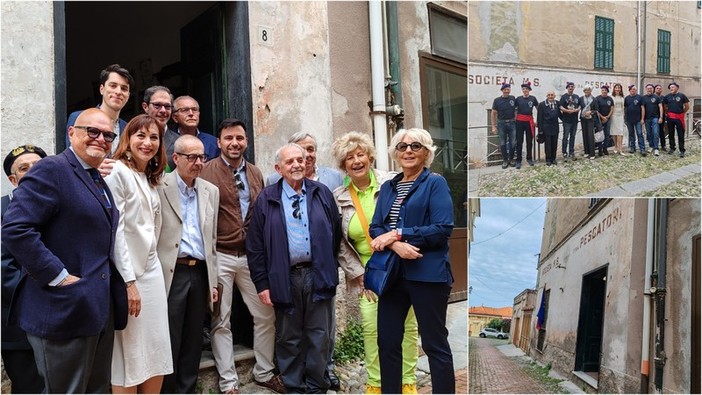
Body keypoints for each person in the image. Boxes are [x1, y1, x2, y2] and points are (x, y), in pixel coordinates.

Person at [1, 108, 128, 393]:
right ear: (72, 133)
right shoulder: (52, 169)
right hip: (63, 309)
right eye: (91, 131)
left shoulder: (96, 178)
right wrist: (57, 275)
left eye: (108, 135)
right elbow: (16, 229)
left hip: (96, 309)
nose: (100, 139)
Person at [247, 143, 342, 393]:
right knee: (289, 336)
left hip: (317, 273)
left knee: (319, 334)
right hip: (284, 276)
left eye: (300, 160)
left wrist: (327, 266)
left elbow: (335, 233)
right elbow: (255, 246)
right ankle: (294, 385)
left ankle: (316, 384)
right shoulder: (266, 199)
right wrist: (262, 284)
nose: (297, 165)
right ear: (279, 168)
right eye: (290, 162)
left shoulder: (321, 193)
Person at [200, 119, 284, 394]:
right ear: (220, 142)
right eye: (228, 138)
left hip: (251, 258)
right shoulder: (205, 171)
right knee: (220, 320)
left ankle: (263, 371)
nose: (234, 143)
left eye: (239, 138)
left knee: (265, 315)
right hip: (220, 255)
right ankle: (228, 383)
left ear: (246, 141)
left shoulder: (256, 173)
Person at [331, 132, 419, 394]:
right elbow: (340, 245)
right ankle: (375, 384)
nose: (356, 161)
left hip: (400, 266)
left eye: (360, 155)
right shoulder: (338, 197)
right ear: (343, 165)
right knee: (372, 329)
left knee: (407, 326)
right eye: (349, 158)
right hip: (368, 275)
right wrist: (358, 275)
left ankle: (408, 382)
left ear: (370, 157)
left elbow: (408, 218)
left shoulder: (392, 183)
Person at [371, 128, 454, 394]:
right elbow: (376, 228)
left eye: (415, 146)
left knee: (434, 344)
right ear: (395, 153)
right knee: (388, 342)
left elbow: (442, 229)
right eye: (402, 146)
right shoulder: (388, 187)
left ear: (426, 153)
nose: (408, 151)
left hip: (427, 275)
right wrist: (395, 244)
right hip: (392, 275)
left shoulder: (435, 183)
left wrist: (399, 234)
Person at [104, 114, 172, 393]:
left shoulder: (149, 177)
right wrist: (128, 282)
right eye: (140, 136)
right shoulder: (117, 171)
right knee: (128, 353)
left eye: (154, 137)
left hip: (152, 270)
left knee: (157, 346)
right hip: (128, 274)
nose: (147, 142)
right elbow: (115, 231)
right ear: (127, 140)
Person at [158, 135, 220, 393]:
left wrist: (213, 282)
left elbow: (212, 241)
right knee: (170, 337)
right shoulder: (160, 185)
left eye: (202, 157)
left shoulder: (210, 190)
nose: (198, 162)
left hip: (200, 272)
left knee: (194, 338)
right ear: (176, 158)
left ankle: (187, 389)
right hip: (173, 271)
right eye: (191, 157)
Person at [1, 145, 47, 394]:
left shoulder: (59, 207)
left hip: (57, 322)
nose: (32, 172)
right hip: (17, 324)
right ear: (13, 178)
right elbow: (4, 268)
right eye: (24, 168)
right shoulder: (2, 210)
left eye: (38, 167)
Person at [66, 64, 135, 153]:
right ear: (101, 89)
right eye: (113, 86)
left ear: (128, 96)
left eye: (124, 89)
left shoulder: (128, 128)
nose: (118, 92)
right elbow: (71, 157)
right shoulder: (79, 117)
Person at [266, 132, 344, 190]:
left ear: (315, 151)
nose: (306, 155)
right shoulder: (274, 180)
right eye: (301, 150)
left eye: (310, 149)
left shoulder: (334, 177)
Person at [164, 96, 220, 170]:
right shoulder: (167, 140)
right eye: (184, 110)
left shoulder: (213, 143)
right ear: (175, 117)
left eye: (194, 109)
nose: (191, 113)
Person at [490, 83, 517, 169]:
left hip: (512, 123)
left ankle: (511, 159)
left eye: (508, 89)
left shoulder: (513, 98)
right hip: (501, 124)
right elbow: (493, 113)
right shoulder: (497, 100)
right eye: (505, 89)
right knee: (502, 143)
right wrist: (493, 126)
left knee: (513, 142)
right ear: (502, 90)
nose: (507, 91)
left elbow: (517, 110)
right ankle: (505, 160)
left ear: (510, 90)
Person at [514, 82, 539, 168]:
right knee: (519, 141)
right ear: (522, 90)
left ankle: (529, 158)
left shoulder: (533, 98)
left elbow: (538, 108)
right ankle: (518, 160)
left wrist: (537, 120)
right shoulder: (518, 99)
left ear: (529, 90)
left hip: (529, 121)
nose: (525, 90)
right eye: (524, 89)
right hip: (520, 121)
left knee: (529, 141)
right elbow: (514, 110)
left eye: (527, 89)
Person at [663, 82, 690, 157]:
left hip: (679, 118)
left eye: (673, 87)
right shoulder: (667, 97)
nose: (671, 88)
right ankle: (672, 148)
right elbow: (665, 106)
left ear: (677, 88)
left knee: (680, 134)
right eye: (670, 87)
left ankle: (682, 150)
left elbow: (687, 106)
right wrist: (667, 112)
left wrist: (682, 113)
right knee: (671, 134)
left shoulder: (682, 96)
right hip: (670, 118)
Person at [537, 91, 561, 166]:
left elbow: (560, 114)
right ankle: (548, 159)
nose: (550, 96)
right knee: (548, 144)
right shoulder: (542, 104)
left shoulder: (557, 103)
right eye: (549, 95)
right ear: (547, 96)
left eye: (552, 95)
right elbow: (539, 118)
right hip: (546, 127)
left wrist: (568, 119)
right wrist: (540, 130)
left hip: (555, 127)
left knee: (554, 143)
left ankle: (554, 159)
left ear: (554, 96)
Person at [559, 82, 580, 161]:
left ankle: (571, 152)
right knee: (565, 137)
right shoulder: (564, 97)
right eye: (569, 87)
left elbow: (580, 106)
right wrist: (567, 111)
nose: (571, 88)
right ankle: (564, 152)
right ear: (567, 88)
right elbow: (560, 106)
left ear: (574, 88)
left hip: (574, 120)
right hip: (566, 120)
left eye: (572, 87)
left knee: (573, 136)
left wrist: (577, 110)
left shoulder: (576, 96)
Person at [624, 85, 646, 156]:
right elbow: (625, 109)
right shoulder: (627, 98)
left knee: (639, 134)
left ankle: (642, 149)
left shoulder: (640, 97)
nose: (633, 90)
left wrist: (642, 118)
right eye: (632, 89)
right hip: (629, 120)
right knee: (631, 134)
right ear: (629, 90)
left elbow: (642, 108)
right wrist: (625, 118)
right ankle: (632, 148)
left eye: (634, 89)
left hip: (638, 120)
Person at [643, 84, 663, 156]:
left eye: (650, 88)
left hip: (655, 118)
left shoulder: (656, 97)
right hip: (647, 118)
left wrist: (661, 117)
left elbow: (660, 107)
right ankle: (651, 146)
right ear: (646, 89)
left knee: (655, 132)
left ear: (653, 89)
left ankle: (656, 148)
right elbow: (642, 108)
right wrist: (642, 119)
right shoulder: (644, 98)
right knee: (649, 133)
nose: (649, 89)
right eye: (648, 88)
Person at [579, 85, 599, 160]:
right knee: (584, 134)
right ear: (584, 91)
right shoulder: (581, 99)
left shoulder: (594, 99)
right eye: (586, 90)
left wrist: (591, 112)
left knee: (590, 135)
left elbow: (596, 109)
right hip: (583, 118)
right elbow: (578, 107)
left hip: (591, 119)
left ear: (591, 91)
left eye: (589, 90)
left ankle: (592, 153)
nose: (587, 91)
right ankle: (586, 152)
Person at [595, 85, 614, 156]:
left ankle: (605, 149)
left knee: (607, 134)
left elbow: (612, 108)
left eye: (605, 90)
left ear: (607, 91)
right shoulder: (597, 98)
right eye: (602, 90)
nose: (604, 91)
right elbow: (596, 110)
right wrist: (602, 117)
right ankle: (600, 149)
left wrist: (607, 117)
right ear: (601, 91)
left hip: (608, 119)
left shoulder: (610, 99)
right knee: (600, 135)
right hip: (599, 120)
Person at [610, 84, 626, 155]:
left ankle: (620, 148)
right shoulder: (611, 97)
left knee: (620, 132)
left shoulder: (622, 97)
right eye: (616, 88)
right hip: (614, 115)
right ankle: (616, 146)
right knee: (614, 132)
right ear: (614, 89)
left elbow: (623, 107)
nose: (617, 89)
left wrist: (624, 115)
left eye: (619, 88)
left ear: (620, 89)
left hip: (620, 116)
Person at [655, 84, 668, 152]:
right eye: (657, 88)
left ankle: (663, 145)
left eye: (660, 88)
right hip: (653, 116)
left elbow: (665, 106)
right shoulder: (652, 97)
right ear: (655, 89)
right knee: (654, 132)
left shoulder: (664, 97)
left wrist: (664, 115)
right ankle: (654, 145)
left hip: (661, 116)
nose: (659, 89)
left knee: (661, 131)